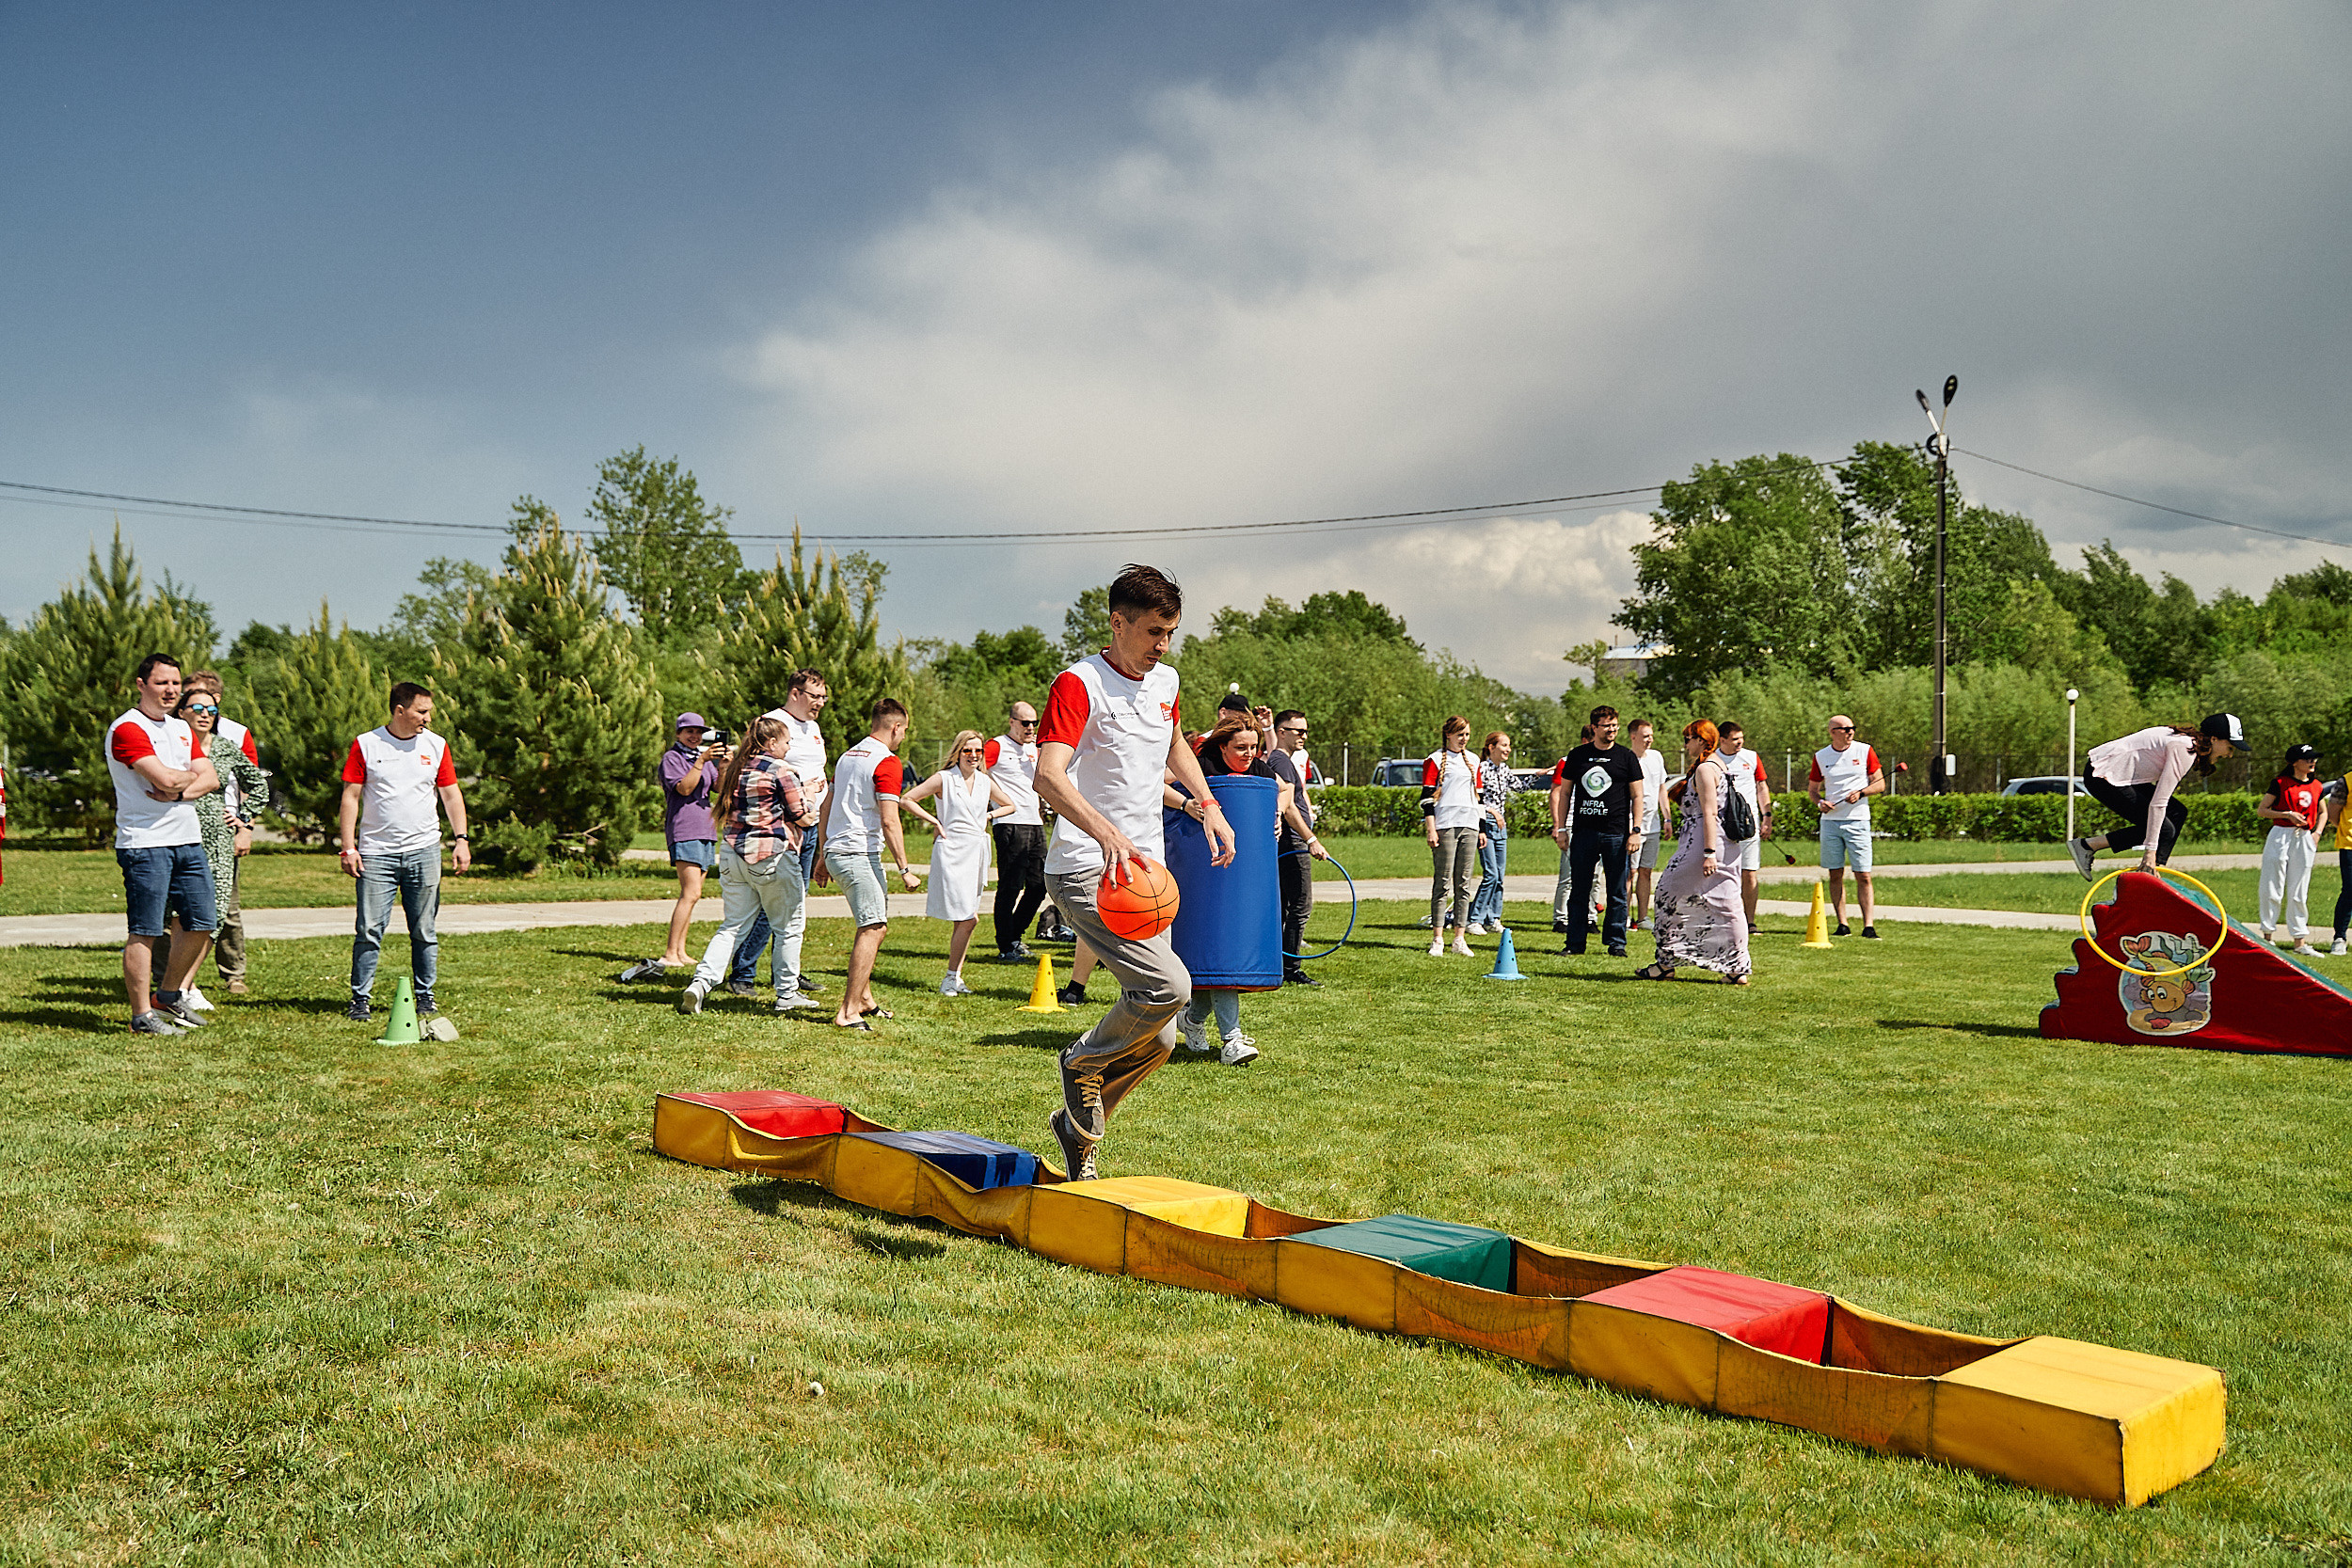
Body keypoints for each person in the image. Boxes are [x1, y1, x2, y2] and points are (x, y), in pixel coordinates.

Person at [1034, 563, 1235, 1181]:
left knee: (1164, 1039)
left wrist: (1208, 805)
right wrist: (1104, 830)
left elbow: (1173, 743)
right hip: (1085, 870)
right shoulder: (1079, 683)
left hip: (1146, 881)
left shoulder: (1166, 680)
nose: (1162, 646)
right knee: (1169, 989)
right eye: (1152, 631)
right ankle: (1080, 1064)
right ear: (1117, 623)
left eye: (1170, 632)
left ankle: (1077, 1131)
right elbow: (1047, 775)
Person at [1168, 713, 1297, 1066]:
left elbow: (1285, 789)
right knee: (1220, 959)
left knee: (1223, 963)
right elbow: (1154, 783)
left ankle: (1192, 1020)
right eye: (1241, 747)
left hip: (1241, 877)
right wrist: (1187, 803)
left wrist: (1276, 812)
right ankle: (1232, 1040)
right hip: (1204, 872)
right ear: (1222, 746)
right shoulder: (1201, 766)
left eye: (1254, 747)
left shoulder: (1258, 770)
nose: (1249, 754)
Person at [340, 682, 470, 1022]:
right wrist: (349, 847)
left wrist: (461, 839)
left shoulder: (437, 745)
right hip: (376, 854)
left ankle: (426, 996)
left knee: (424, 929)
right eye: (421, 711)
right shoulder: (366, 745)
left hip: (424, 850)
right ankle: (360, 999)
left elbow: (452, 795)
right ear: (400, 710)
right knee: (369, 929)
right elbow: (351, 798)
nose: (427, 718)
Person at [675, 715, 821, 1015]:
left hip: (732, 853)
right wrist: (809, 793)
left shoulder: (737, 767)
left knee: (732, 925)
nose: (788, 746)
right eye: (785, 741)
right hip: (771, 855)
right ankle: (787, 993)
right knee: (790, 926)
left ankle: (700, 983)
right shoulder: (782, 770)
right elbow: (802, 817)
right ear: (771, 743)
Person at [109, 654, 221, 1034]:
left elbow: (210, 780)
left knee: (204, 920)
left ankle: (170, 993)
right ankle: (141, 1016)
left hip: (187, 838)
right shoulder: (127, 728)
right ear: (142, 685)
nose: (171, 690)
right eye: (161, 683)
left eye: (175, 684)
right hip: (145, 843)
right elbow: (165, 778)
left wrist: (176, 790)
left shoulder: (181, 729)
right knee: (146, 929)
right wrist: (183, 781)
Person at [815, 697, 923, 1030]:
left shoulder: (849, 755)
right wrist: (905, 869)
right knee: (873, 926)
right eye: (903, 730)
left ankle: (864, 998)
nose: (903, 737)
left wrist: (823, 854)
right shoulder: (888, 762)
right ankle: (847, 1011)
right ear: (895, 727)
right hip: (857, 852)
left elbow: (825, 808)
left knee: (876, 924)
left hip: (840, 850)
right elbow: (890, 821)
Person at [168, 682, 268, 1010]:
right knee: (178, 913)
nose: (204, 715)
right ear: (180, 712)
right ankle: (180, 985)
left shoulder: (226, 747)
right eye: (196, 708)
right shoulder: (169, 745)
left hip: (218, 840)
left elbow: (258, 785)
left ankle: (185, 985)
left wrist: (243, 818)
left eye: (211, 710)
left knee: (213, 914)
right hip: (176, 832)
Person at [734, 670, 832, 998]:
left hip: (809, 823)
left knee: (796, 904)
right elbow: (748, 769)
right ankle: (744, 973)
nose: (820, 703)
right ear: (795, 693)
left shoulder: (813, 728)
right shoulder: (771, 723)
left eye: (823, 697)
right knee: (773, 904)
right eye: (814, 696)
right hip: (780, 828)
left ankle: (788, 973)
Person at [902, 730, 1018, 995]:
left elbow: (1010, 805)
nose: (974, 756)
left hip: (976, 851)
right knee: (968, 918)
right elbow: (907, 799)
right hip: (952, 850)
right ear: (958, 752)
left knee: (966, 918)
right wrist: (934, 820)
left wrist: (990, 815)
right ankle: (951, 977)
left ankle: (955, 977)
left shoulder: (985, 781)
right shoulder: (944, 779)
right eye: (968, 751)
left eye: (978, 751)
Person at [1638, 720, 1751, 985]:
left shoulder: (1705, 769)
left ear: (1701, 739)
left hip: (1704, 842)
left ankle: (1666, 963)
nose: (1685, 743)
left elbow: (1710, 812)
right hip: (1722, 843)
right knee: (1727, 901)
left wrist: (1709, 852)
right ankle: (1736, 968)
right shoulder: (1717, 765)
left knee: (1667, 892)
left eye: (1688, 738)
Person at [2068, 714, 2245, 880]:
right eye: (2230, 747)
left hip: (2118, 774)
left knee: (2178, 813)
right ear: (2214, 739)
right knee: (2164, 828)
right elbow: (2159, 803)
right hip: (2103, 775)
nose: (2230, 755)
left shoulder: (2186, 742)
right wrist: (2149, 852)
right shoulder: (2184, 749)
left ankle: (2155, 869)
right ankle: (2089, 846)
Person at [1550, 706, 1646, 958]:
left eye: (1615, 725)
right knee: (1579, 890)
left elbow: (1638, 796)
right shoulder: (1578, 755)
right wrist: (1561, 828)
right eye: (1607, 726)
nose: (1612, 730)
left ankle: (1616, 943)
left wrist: (1635, 830)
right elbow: (1564, 793)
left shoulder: (1626, 757)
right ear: (1594, 727)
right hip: (1584, 833)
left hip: (1616, 833)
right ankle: (1574, 943)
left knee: (1617, 891)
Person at [644, 713, 723, 974]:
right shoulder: (673, 758)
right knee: (690, 893)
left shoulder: (702, 759)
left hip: (706, 830)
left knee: (694, 895)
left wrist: (723, 766)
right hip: (685, 829)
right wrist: (701, 760)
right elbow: (685, 788)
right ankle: (670, 953)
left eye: (699, 732)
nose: (695, 736)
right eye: (689, 731)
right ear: (678, 733)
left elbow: (720, 788)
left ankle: (680, 950)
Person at [1266, 708, 1329, 981]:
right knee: (1300, 906)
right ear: (1282, 732)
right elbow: (1289, 806)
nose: (1304, 735)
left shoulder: (1281, 759)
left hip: (1288, 840)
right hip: (1292, 840)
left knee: (1284, 905)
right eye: (1298, 731)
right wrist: (1311, 839)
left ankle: (1277, 964)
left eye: (1305, 730)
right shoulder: (1281, 762)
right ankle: (1290, 969)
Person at [1807, 715, 1883, 938]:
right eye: (1845, 729)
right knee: (1835, 874)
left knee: (1864, 875)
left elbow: (1879, 783)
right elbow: (1813, 790)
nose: (1850, 732)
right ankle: (1843, 924)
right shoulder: (1821, 756)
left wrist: (1861, 793)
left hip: (1858, 819)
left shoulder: (1864, 751)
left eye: (1852, 728)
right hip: (1830, 823)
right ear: (1833, 732)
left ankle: (1868, 925)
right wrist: (1820, 802)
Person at [984, 702, 1050, 961]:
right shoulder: (997, 745)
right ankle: (1005, 944)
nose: (1030, 728)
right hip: (1010, 823)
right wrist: (997, 799)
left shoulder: (1034, 750)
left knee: (1039, 885)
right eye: (1025, 723)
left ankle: (1015, 935)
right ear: (1012, 722)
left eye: (1033, 723)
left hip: (1035, 823)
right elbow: (978, 771)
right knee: (1010, 886)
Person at [1422, 716, 1485, 957]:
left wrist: (1482, 828)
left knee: (1464, 882)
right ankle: (1438, 938)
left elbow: (1479, 796)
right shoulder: (1435, 759)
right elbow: (1427, 797)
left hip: (1469, 823)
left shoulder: (1474, 760)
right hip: (1445, 824)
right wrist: (1431, 828)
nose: (1464, 739)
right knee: (1443, 881)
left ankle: (1459, 937)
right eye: (1460, 734)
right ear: (1448, 734)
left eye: (1467, 734)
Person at [2256, 743, 2325, 954]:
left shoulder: (2317, 786)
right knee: (2272, 886)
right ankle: (2268, 936)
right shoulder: (2279, 783)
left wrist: (2316, 833)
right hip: (2281, 835)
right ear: (2294, 762)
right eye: (2307, 759)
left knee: (2299, 890)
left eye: (2314, 758)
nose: (2312, 762)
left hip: (2304, 837)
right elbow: (2262, 810)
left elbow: (2323, 812)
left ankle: (2300, 941)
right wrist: (2286, 814)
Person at [1714, 721, 1772, 931]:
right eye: (1735, 739)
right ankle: (1723, 918)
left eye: (1742, 738)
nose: (1740, 743)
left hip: (1748, 825)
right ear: (1722, 740)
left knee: (1749, 873)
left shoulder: (1751, 757)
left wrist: (1767, 816)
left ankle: (1749, 921)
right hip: (1722, 825)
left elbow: (1761, 786)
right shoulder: (1713, 759)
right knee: (1722, 873)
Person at [1464, 731, 1521, 935]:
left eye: (1509, 745)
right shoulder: (1481, 769)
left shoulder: (1504, 770)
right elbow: (1475, 798)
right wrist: (1492, 811)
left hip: (1500, 828)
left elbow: (1519, 787)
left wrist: (1541, 774)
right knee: (1491, 874)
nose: (1508, 749)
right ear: (1491, 747)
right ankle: (1474, 920)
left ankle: (1493, 918)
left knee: (1500, 877)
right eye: (1504, 745)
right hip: (1485, 825)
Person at [1627, 719, 1672, 930]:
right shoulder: (1626, 759)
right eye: (1645, 736)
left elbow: (1662, 788)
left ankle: (1643, 917)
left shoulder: (1656, 757)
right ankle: (1624, 917)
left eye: (1651, 735)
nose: (1650, 740)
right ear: (1633, 737)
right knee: (1629, 873)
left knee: (1646, 871)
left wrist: (1667, 818)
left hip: (1652, 826)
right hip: (1631, 827)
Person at [2326, 766, 2351, 958]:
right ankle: (2339, 938)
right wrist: (2343, 828)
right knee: (2350, 890)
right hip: (2350, 844)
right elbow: (2333, 812)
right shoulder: (2346, 781)